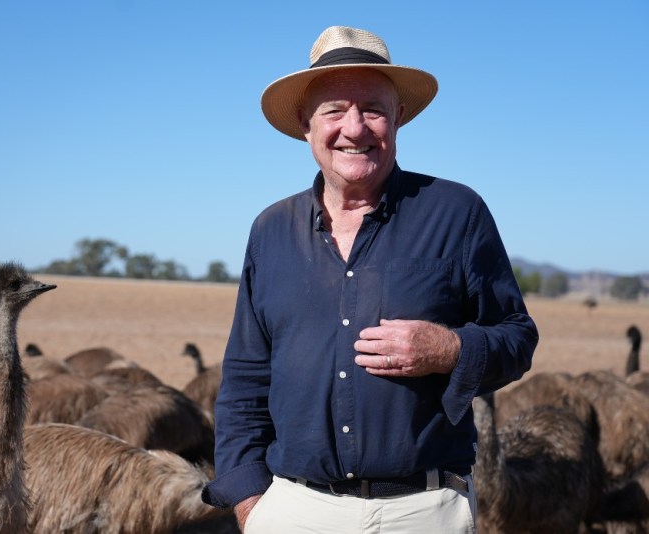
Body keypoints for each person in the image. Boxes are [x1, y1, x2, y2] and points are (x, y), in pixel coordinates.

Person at [201, 26, 538, 533]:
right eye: (334, 110)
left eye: (373, 109)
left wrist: (450, 349)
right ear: (305, 123)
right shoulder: (270, 230)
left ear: (398, 117)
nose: (354, 129)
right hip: (295, 509)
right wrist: (251, 504)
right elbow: (246, 379)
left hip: (422, 512)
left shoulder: (456, 212)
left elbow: (517, 336)